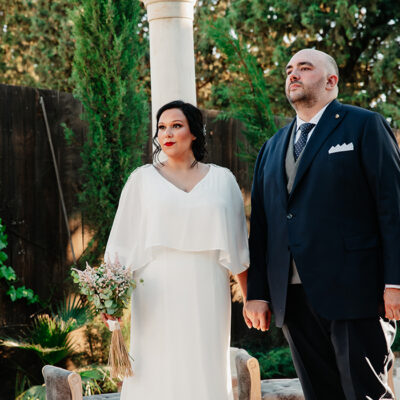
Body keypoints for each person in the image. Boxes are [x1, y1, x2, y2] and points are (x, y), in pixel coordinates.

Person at [242, 49, 400, 399]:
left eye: (304, 67)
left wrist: (395, 282)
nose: (293, 74)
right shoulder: (272, 147)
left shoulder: (365, 125)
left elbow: (393, 207)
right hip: (292, 297)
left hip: (356, 290)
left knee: (365, 393)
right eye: (289, 69)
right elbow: (262, 228)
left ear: (331, 81)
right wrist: (257, 293)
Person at [103, 100, 249, 400]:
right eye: (162, 127)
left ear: (194, 132)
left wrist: (251, 299)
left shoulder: (223, 180)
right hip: (155, 290)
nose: (167, 133)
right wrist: (108, 300)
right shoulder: (141, 179)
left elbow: (238, 247)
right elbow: (121, 243)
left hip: (208, 287)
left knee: (204, 365)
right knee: (157, 367)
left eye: (176, 126)